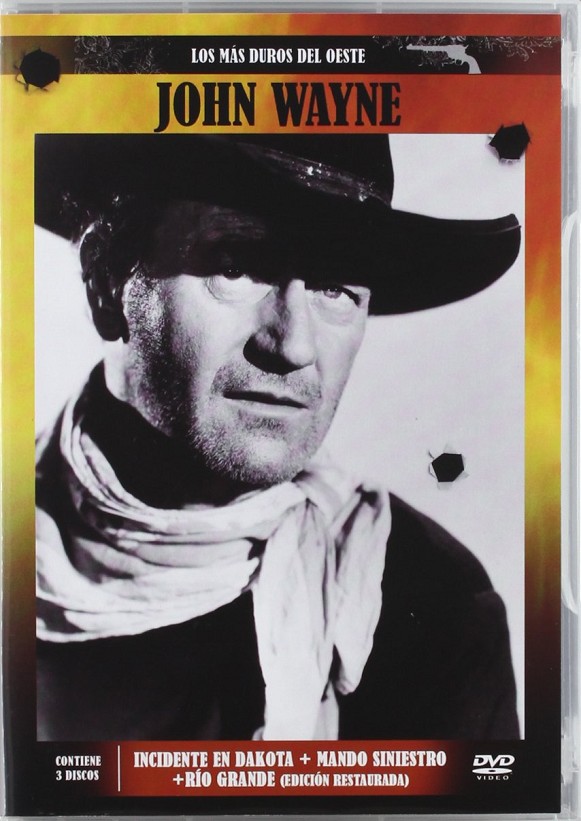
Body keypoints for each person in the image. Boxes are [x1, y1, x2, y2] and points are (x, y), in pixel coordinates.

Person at [35, 133, 521, 742]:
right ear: (106, 283)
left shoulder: (435, 611)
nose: (293, 346)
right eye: (236, 266)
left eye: (335, 288)